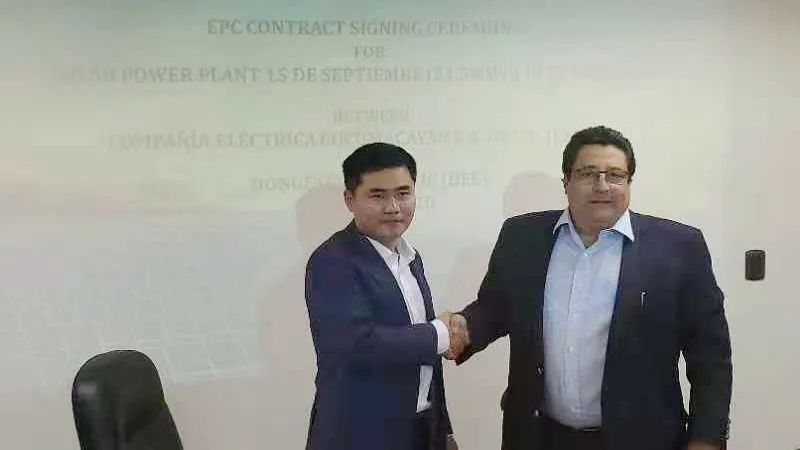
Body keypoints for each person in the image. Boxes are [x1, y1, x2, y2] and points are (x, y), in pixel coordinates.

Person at [446, 126, 732, 450]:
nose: (602, 186)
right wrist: (464, 327)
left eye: (615, 175)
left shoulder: (678, 247)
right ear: (566, 182)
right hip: (539, 436)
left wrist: (707, 438)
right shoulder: (522, 236)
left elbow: (710, 356)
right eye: (588, 174)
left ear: (629, 182)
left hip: (642, 439)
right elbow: (496, 308)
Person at [304, 142, 458, 450]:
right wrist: (441, 334)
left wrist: (444, 430)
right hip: (359, 436)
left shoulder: (411, 258)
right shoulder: (332, 260)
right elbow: (358, 344)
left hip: (421, 430)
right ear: (350, 199)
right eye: (378, 196)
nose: (393, 207)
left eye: (403, 193)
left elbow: (424, 364)